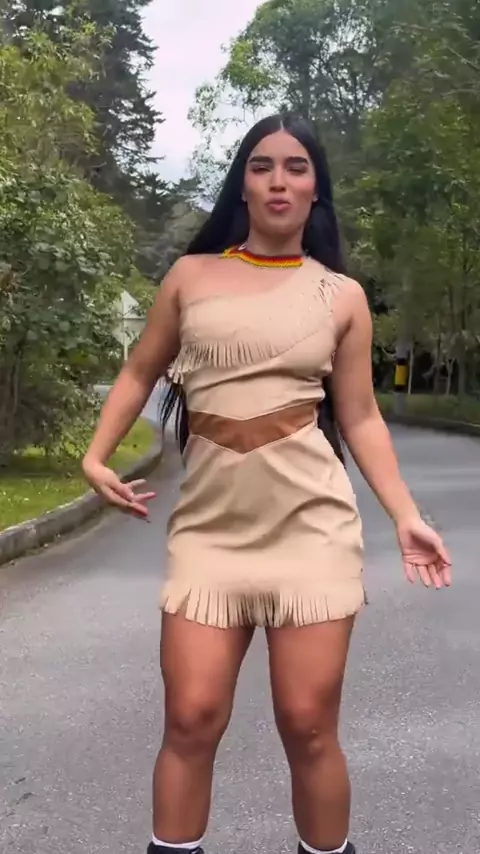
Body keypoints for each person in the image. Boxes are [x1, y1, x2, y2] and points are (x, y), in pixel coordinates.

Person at [82, 113, 452, 854]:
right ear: (242, 185)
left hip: (311, 532)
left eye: (295, 167)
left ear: (316, 189)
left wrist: (405, 514)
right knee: (190, 718)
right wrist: (96, 456)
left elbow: (362, 417)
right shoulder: (190, 277)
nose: (278, 180)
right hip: (210, 534)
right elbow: (139, 370)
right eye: (261, 166)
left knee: (309, 725)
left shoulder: (341, 296)